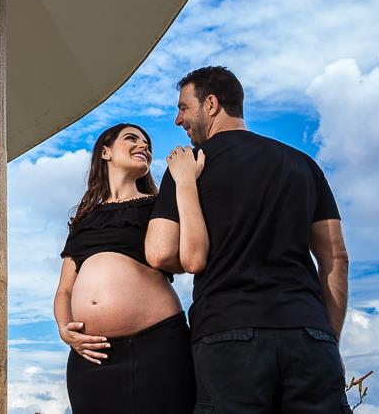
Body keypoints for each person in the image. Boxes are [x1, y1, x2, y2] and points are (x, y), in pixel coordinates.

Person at [147, 66, 351, 413]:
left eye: (183, 108)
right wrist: (328, 338)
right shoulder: (303, 164)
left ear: (211, 104)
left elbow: (161, 252)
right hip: (309, 334)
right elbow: (336, 258)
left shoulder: (187, 167)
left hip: (227, 333)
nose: (178, 120)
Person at [54, 123, 195, 413]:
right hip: (92, 356)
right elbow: (65, 290)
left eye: (147, 144)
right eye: (132, 139)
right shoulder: (82, 219)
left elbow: (182, 258)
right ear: (105, 152)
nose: (143, 146)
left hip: (156, 345)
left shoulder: (158, 205)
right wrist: (64, 330)